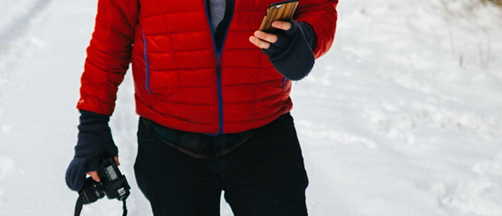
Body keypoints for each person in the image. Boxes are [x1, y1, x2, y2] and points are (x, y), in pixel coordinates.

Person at [66, 0, 337, 215]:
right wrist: (93, 123)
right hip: (169, 143)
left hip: (263, 134)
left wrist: (305, 38)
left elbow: (318, 6)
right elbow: (111, 37)